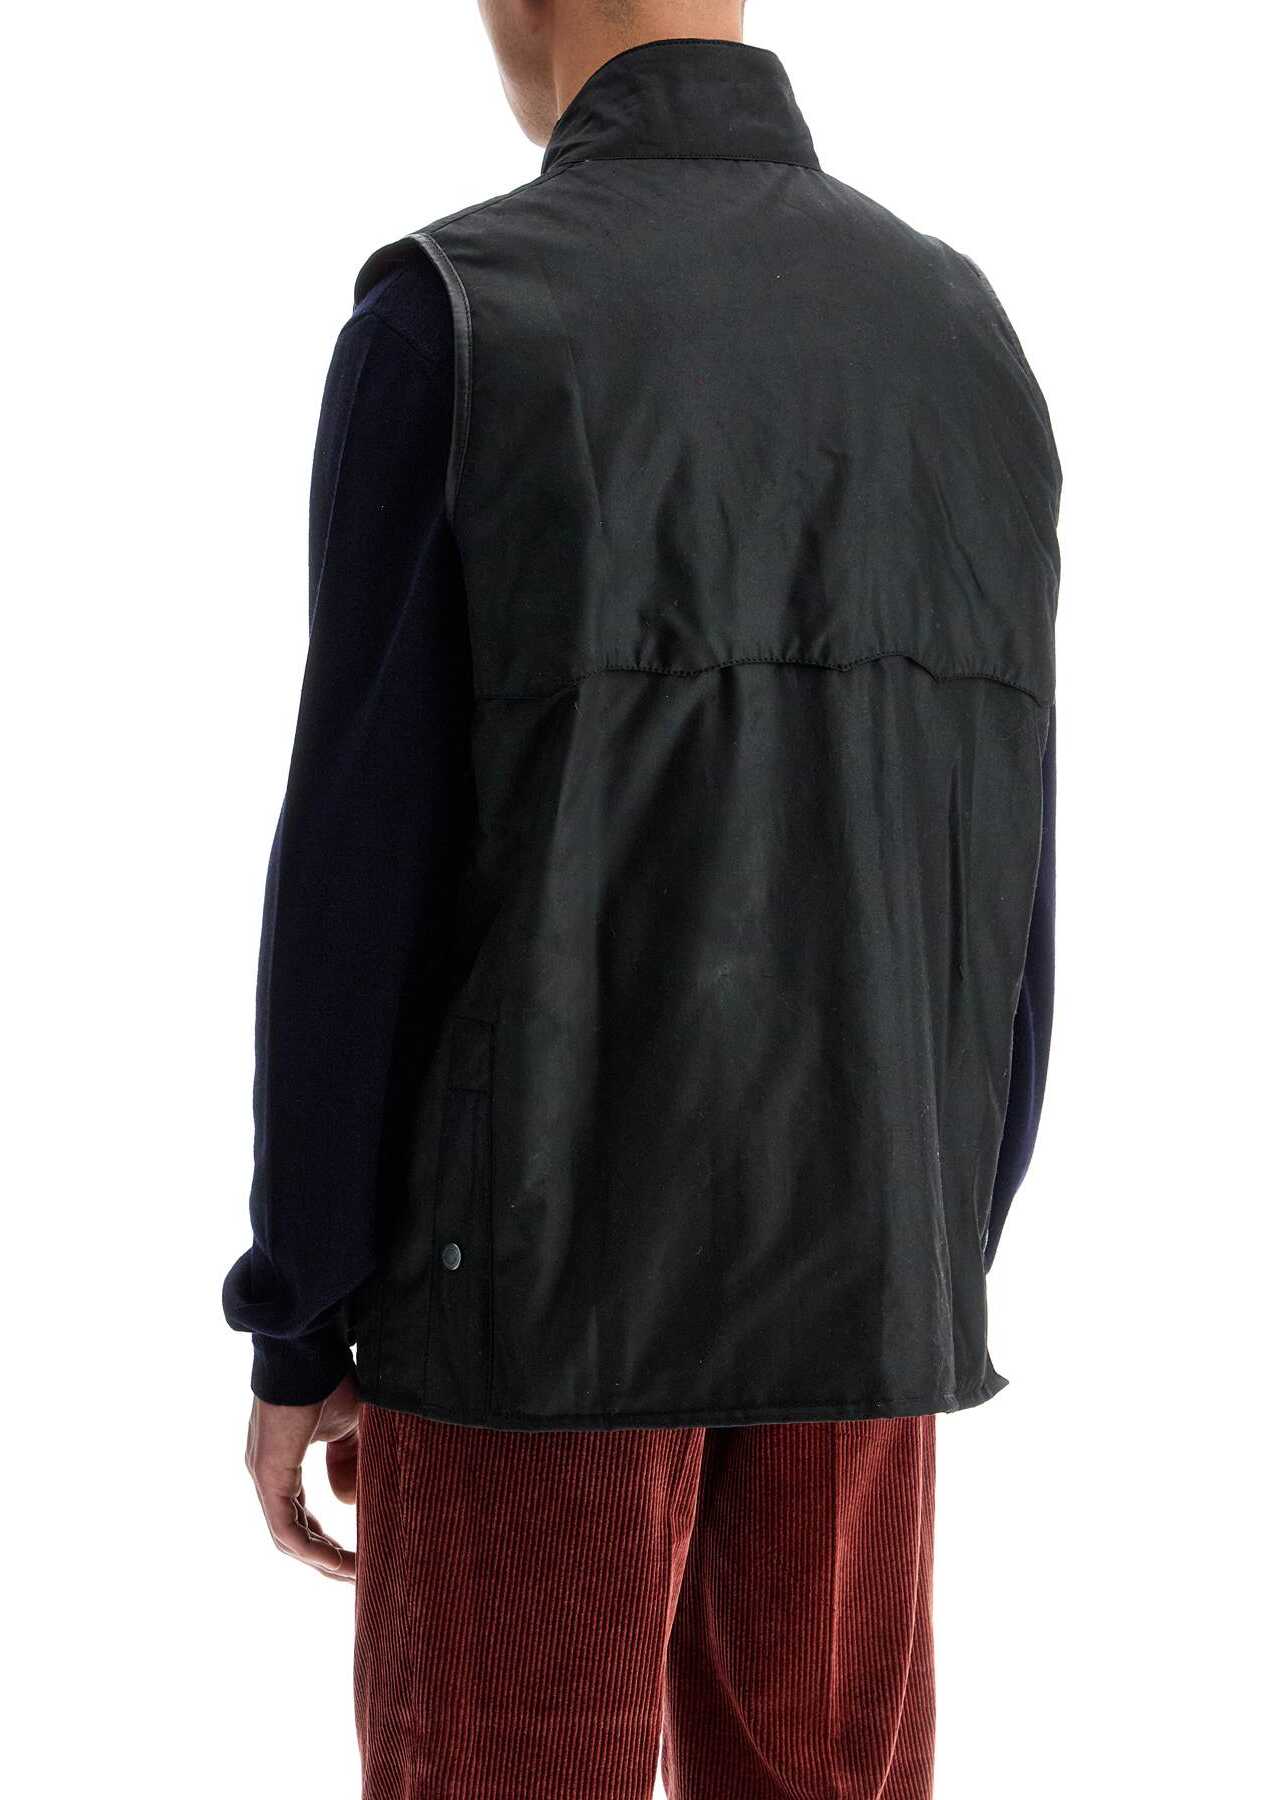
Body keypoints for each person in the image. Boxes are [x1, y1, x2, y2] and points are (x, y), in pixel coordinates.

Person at [223, 3, 1060, 1794]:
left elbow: (359, 869)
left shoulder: (460, 316)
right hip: (872, 1270)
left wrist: (302, 1307)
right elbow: (1005, 848)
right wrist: (934, 1242)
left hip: (526, 1296)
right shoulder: (956, 322)